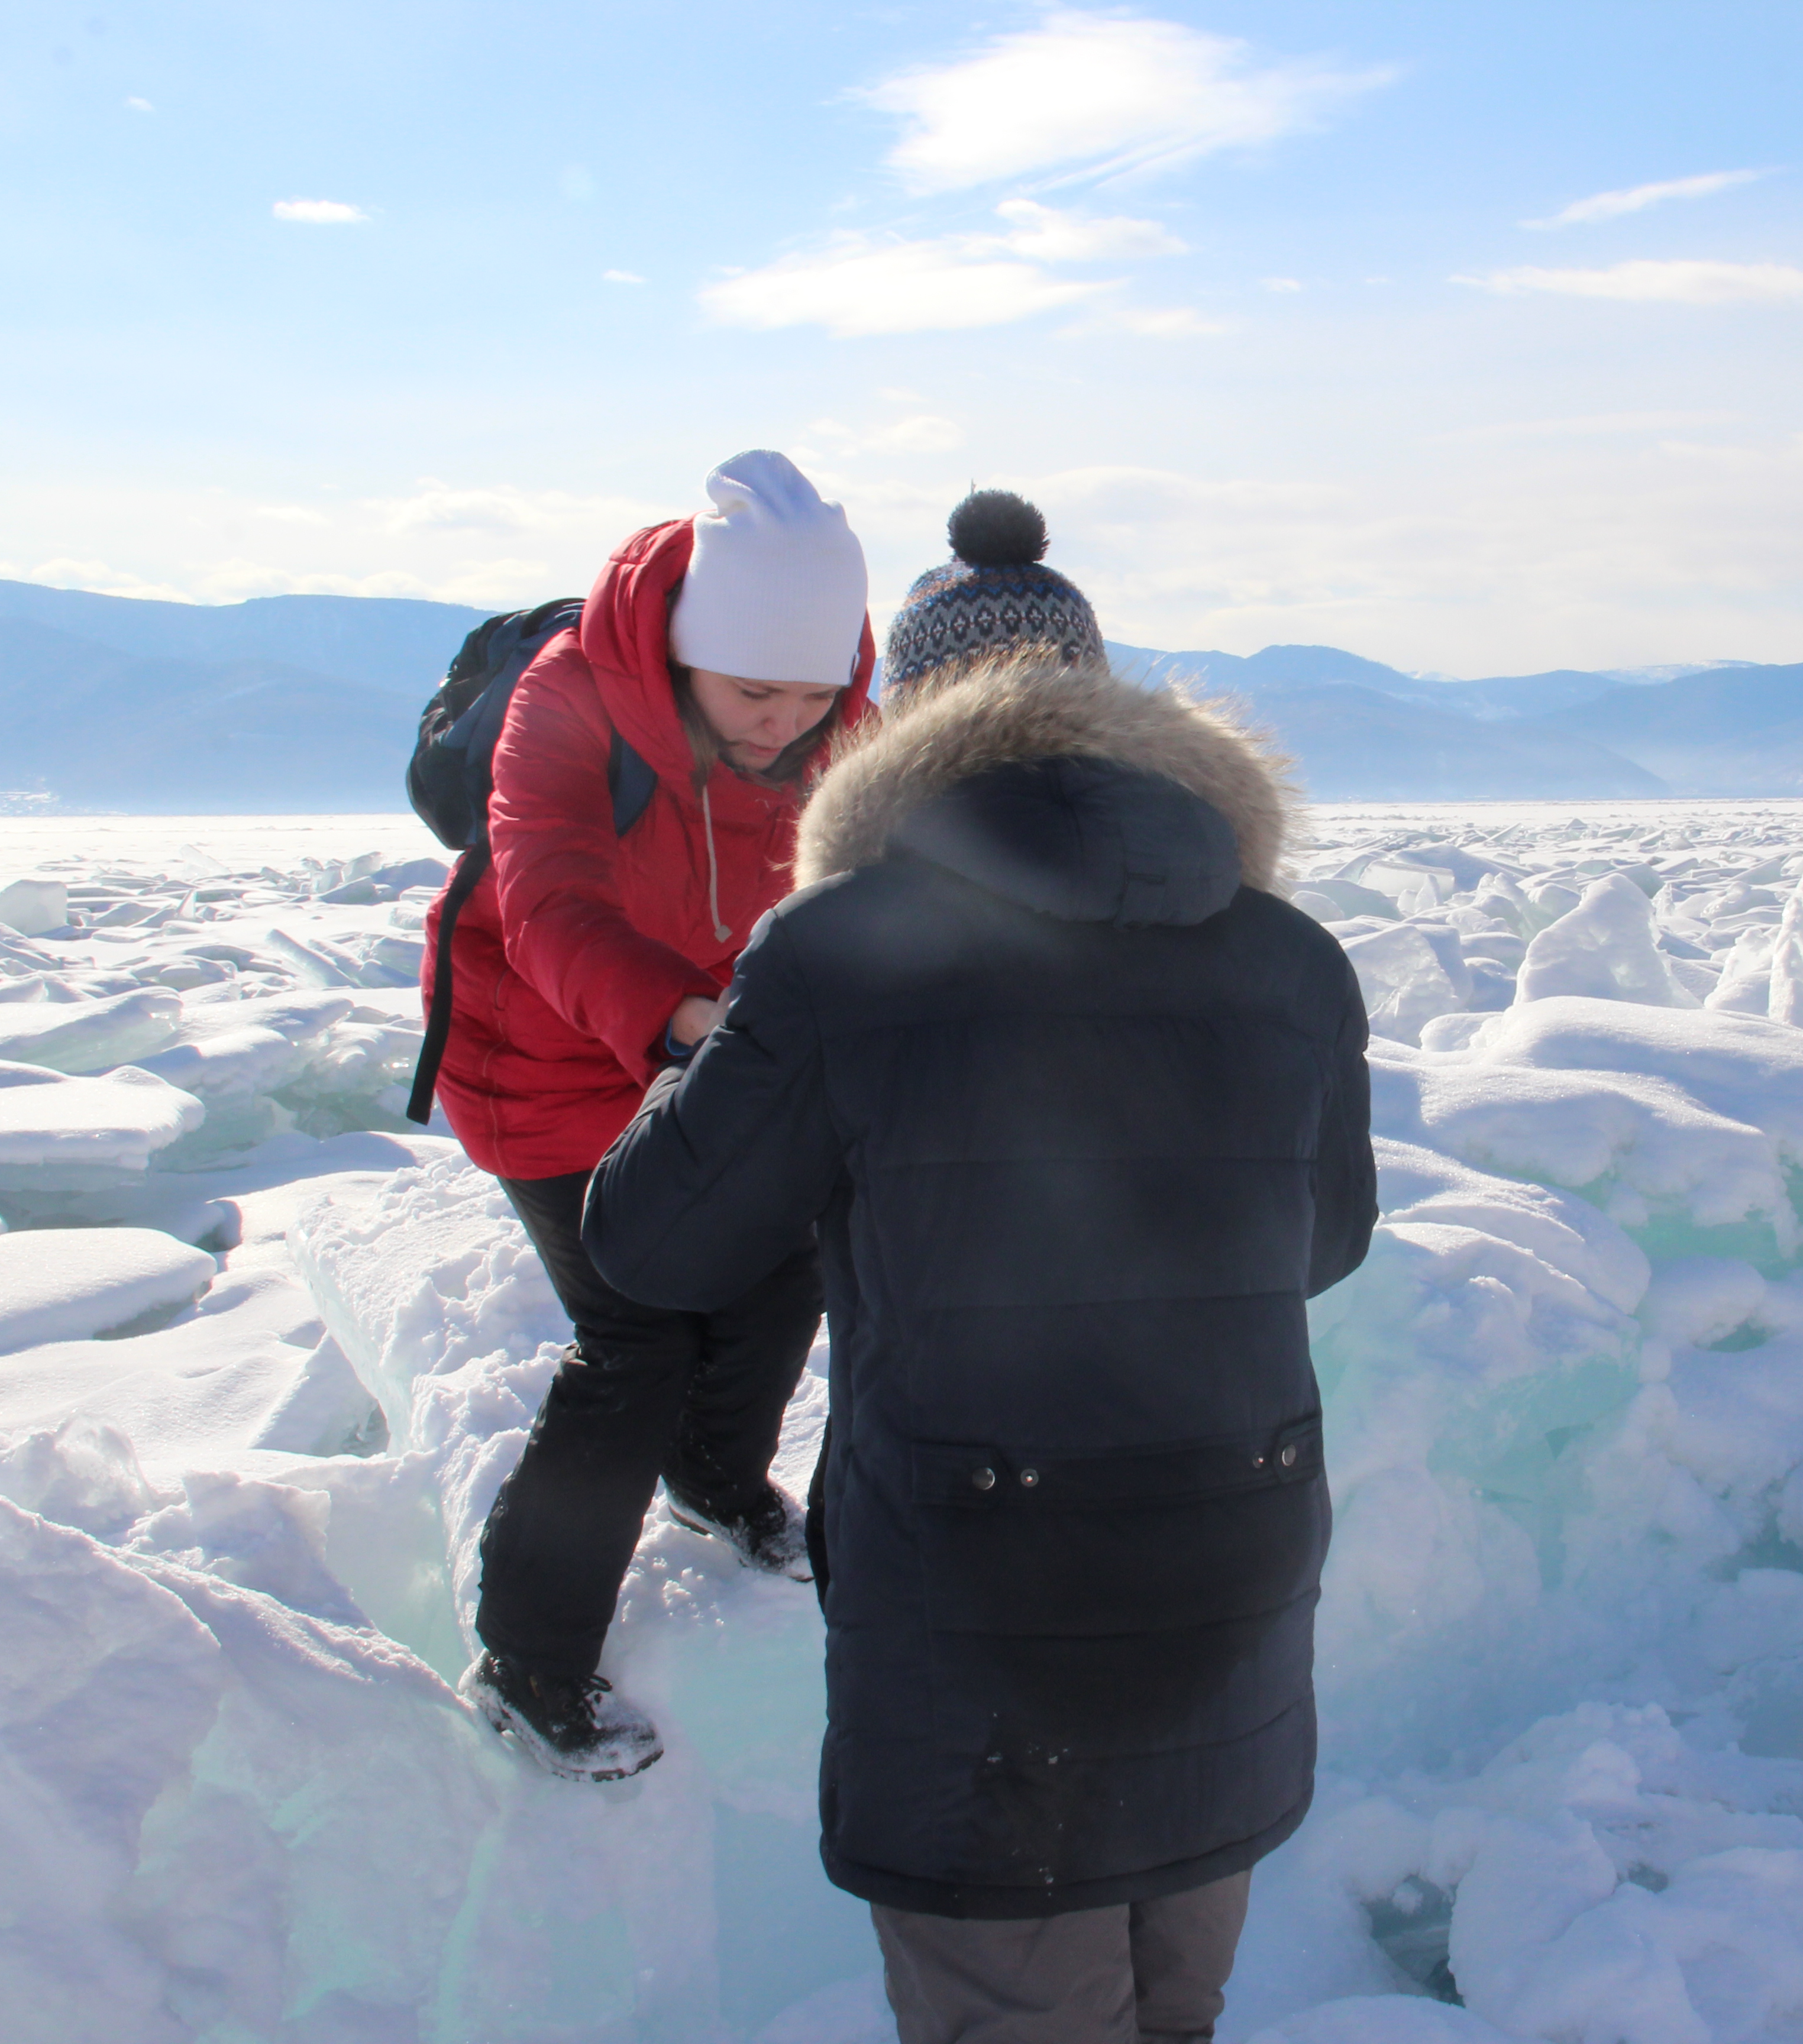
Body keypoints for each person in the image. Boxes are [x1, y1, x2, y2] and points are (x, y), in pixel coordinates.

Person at [583, 490, 1375, 2043]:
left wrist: (731, 1059)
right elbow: (1327, 1240)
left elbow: (655, 1239)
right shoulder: (1289, 956)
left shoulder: (843, 950)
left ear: (904, 723)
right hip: (1231, 1565)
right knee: (1176, 2003)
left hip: (982, 1599)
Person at [432, 449, 875, 1781]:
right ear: (687, 650)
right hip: (542, 1058)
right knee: (641, 1337)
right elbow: (549, 903)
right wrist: (688, 1024)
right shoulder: (569, 700)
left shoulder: (843, 718)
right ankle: (529, 1659)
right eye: (753, 693)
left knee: (784, 1267)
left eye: (812, 697)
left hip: (712, 1049)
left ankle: (716, 1483)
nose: (783, 725)